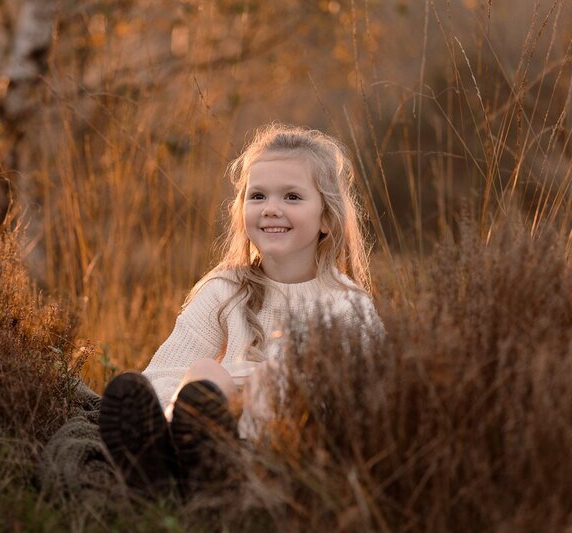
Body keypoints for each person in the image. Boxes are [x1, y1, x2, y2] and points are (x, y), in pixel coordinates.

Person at [97, 123, 383, 500]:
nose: (271, 210)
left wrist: (258, 385)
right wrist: (216, 392)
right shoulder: (225, 289)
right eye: (258, 196)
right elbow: (162, 371)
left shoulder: (346, 306)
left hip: (291, 454)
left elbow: (366, 398)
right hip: (212, 437)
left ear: (327, 218)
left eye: (292, 197)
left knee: (273, 378)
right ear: (242, 209)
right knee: (200, 373)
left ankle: (236, 480)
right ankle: (163, 462)